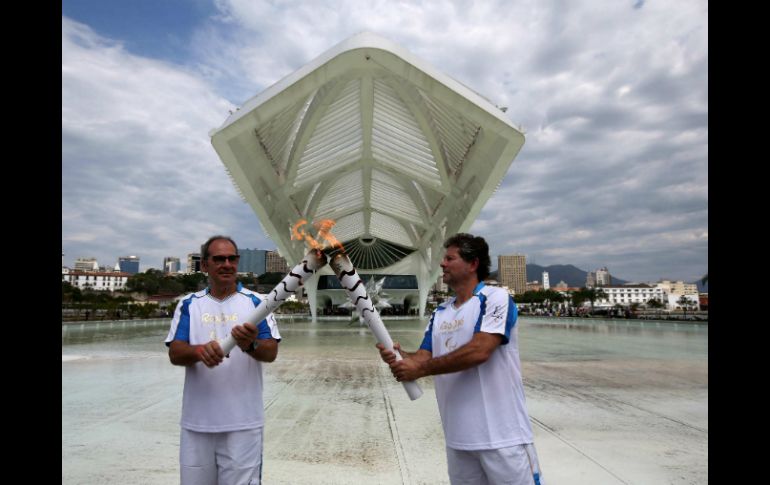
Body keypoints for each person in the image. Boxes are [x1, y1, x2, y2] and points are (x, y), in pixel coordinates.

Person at [378, 233, 544, 485]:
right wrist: (401, 357)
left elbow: (480, 350)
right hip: (458, 440)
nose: (442, 264)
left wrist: (419, 369)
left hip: (503, 438)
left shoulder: (494, 298)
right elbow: (424, 356)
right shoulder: (441, 312)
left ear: (473, 263)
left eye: (449, 258)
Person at [165, 235, 280, 485]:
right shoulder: (189, 305)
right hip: (197, 425)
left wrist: (250, 345)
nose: (226, 264)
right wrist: (199, 352)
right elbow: (175, 351)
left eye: (232, 258)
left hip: (243, 424)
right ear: (205, 265)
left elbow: (270, 351)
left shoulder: (257, 304)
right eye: (218, 259)